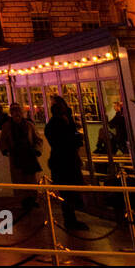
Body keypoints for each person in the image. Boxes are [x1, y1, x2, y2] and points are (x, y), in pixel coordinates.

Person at [45, 97, 89, 230]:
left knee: (68, 192)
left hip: (62, 162)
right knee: (69, 192)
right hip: (66, 162)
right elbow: (67, 141)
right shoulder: (62, 124)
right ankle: (70, 219)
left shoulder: (55, 124)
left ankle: (71, 217)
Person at [0, 103, 42, 211]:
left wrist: (37, 150)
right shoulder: (8, 126)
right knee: (19, 179)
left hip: (28, 155)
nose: (17, 114)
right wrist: (5, 150)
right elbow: (3, 140)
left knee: (30, 179)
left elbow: (37, 139)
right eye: (14, 112)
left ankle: (32, 199)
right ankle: (24, 200)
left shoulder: (28, 125)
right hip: (16, 156)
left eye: (18, 112)